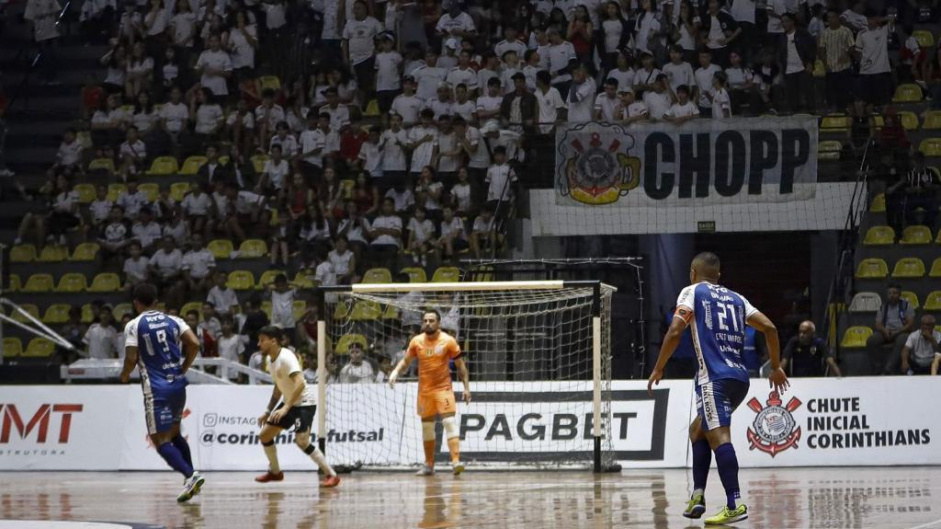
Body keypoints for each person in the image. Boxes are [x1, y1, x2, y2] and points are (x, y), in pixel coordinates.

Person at [648, 252, 788, 525]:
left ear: (692, 272)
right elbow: (770, 328)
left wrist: (659, 367)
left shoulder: (692, 291)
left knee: (719, 437)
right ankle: (698, 496)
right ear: (719, 276)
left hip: (713, 379)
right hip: (739, 379)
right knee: (697, 429)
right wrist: (775, 367)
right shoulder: (737, 299)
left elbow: (675, 331)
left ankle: (734, 504)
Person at [119, 283, 204, 503]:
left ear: (136, 303)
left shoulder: (134, 325)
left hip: (156, 389)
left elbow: (131, 358)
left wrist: (125, 375)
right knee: (174, 433)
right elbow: (194, 344)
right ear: (156, 301)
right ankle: (191, 477)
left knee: (160, 440)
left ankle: (191, 475)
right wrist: (183, 368)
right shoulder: (175, 320)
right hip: (178, 385)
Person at [253, 325, 341, 487]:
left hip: (304, 404)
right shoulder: (270, 360)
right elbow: (278, 386)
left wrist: (286, 408)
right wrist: (268, 411)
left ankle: (331, 474)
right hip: (289, 402)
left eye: (262, 340)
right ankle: (275, 472)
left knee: (302, 441)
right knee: (265, 436)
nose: (259, 344)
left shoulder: (286, 357)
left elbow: (300, 384)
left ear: (273, 341)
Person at [388, 310, 471, 476]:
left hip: (443, 389)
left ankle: (456, 462)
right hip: (425, 391)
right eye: (425, 320)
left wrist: (466, 388)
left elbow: (461, 366)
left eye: (431, 320)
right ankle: (429, 465)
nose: (428, 323)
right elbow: (406, 361)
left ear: (438, 323)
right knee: (427, 428)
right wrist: (395, 372)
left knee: (449, 422)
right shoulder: (416, 341)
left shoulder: (448, 341)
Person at [866, 283, 916, 375]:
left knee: (903, 339)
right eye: (889, 293)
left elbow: (910, 324)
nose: (892, 295)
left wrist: (897, 332)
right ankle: (877, 366)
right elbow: (878, 324)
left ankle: (889, 368)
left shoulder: (906, 306)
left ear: (899, 294)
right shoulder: (883, 307)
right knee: (871, 340)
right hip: (886, 332)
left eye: (895, 293)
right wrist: (884, 331)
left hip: (901, 331)